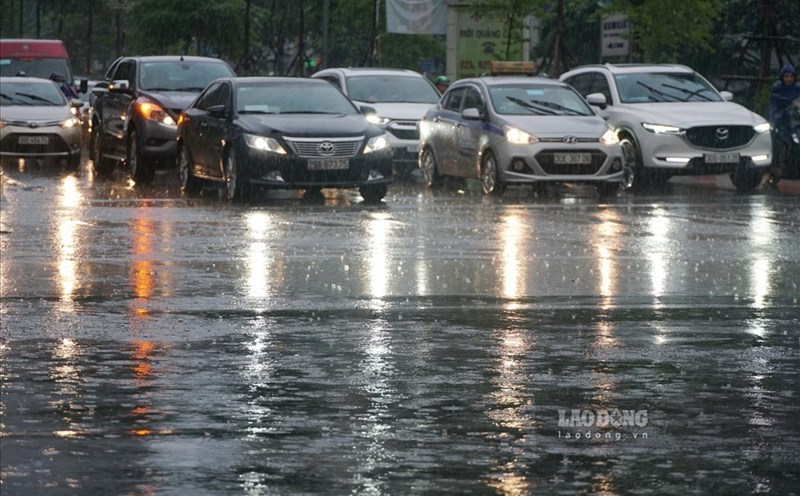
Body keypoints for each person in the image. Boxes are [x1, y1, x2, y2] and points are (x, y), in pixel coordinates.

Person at [767, 63, 800, 184]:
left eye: (791, 76)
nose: (789, 79)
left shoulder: (797, 88)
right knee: (777, 148)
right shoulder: (777, 89)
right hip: (781, 124)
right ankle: (774, 173)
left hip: (795, 124)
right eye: (786, 76)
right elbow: (774, 107)